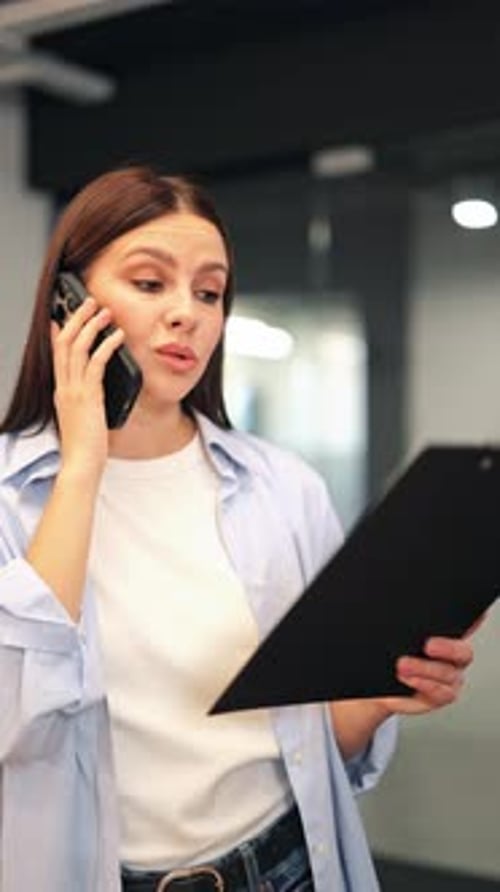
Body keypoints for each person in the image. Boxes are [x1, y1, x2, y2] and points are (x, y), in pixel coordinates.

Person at [0, 165, 475, 892]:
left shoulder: (286, 488)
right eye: (150, 283)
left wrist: (379, 695)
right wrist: (83, 466)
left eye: (209, 292)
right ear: (70, 303)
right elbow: (15, 727)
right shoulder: (11, 496)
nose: (186, 314)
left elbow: (318, 743)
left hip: (286, 868)